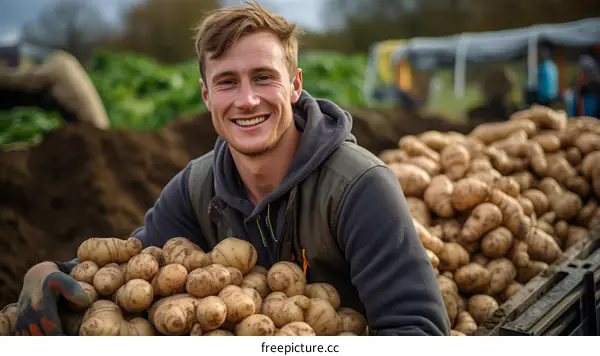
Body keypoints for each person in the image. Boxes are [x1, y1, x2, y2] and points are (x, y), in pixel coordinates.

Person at [14, 1, 450, 336]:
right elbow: (132, 267)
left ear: (295, 86)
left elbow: (419, 331)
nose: (246, 100)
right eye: (227, 82)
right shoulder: (196, 187)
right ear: (206, 96)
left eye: (264, 77)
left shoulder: (359, 188)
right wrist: (53, 271)